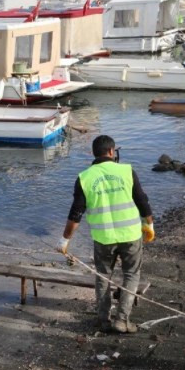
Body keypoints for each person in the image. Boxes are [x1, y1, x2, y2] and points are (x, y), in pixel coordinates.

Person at [58, 135, 154, 334]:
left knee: (102, 276)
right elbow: (143, 202)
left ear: (94, 153)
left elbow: (76, 214)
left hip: (103, 238)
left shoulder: (85, 178)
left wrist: (64, 240)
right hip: (130, 235)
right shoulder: (127, 171)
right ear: (111, 152)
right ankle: (121, 320)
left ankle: (103, 320)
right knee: (131, 274)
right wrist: (149, 225)